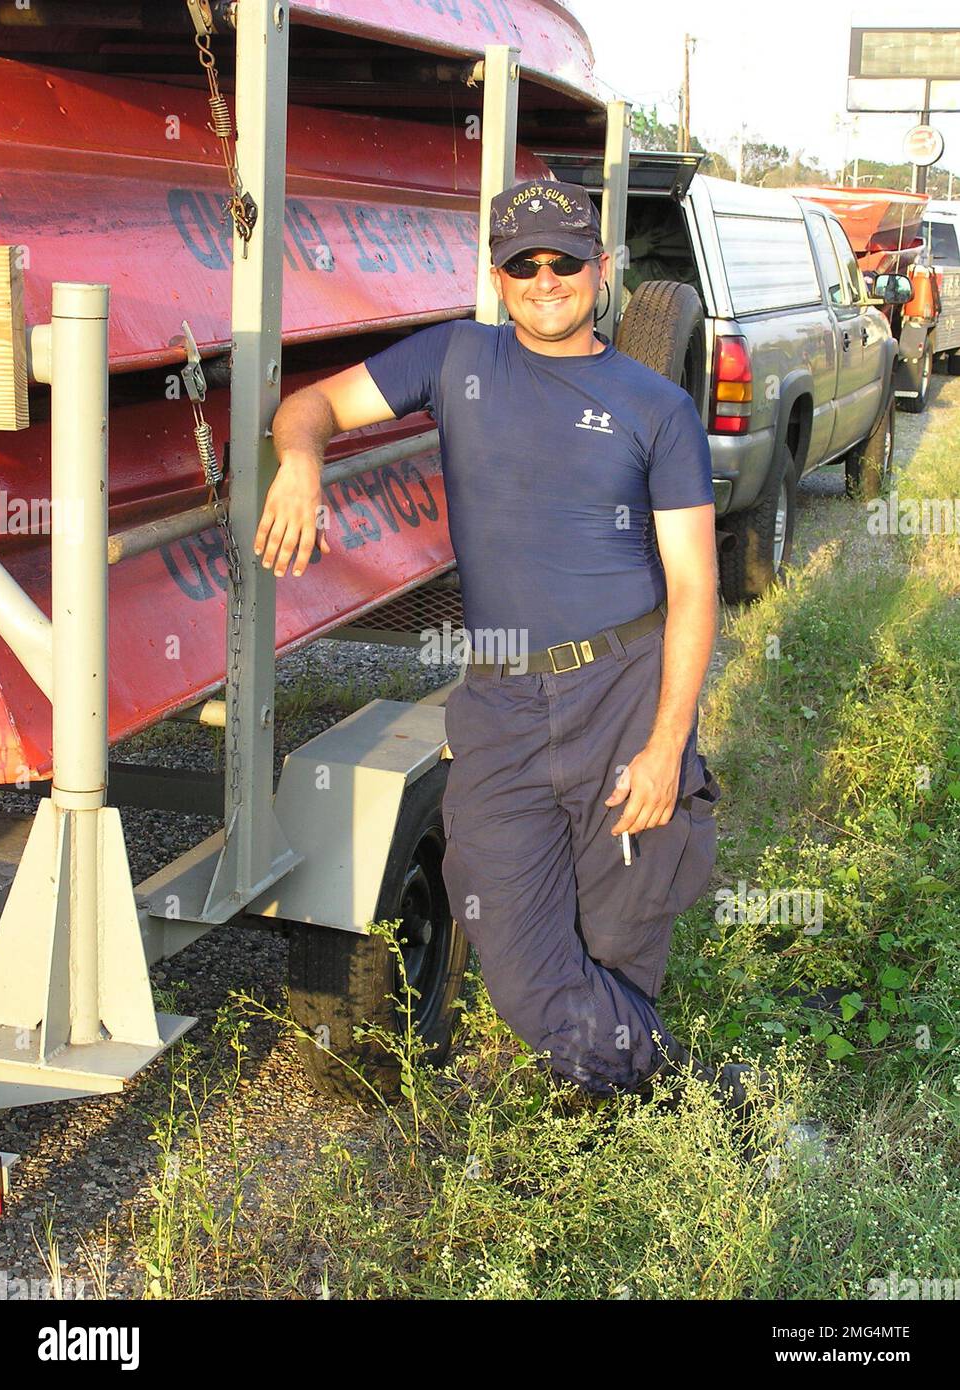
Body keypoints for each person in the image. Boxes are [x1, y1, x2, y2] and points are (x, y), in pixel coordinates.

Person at [254, 177, 760, 1112]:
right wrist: (300, 461)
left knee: (618, 934)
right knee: (516, 950)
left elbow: (696, 588)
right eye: (521, 263)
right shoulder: (455, 360)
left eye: (564, 260)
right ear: (497, 276)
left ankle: (605, 1129)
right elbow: (310, 406)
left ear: (600, 271)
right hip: (500, 701)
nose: (544, 279)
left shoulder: (656, 408)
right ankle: (695, 1092)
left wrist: (664, 745)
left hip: (623, 685)